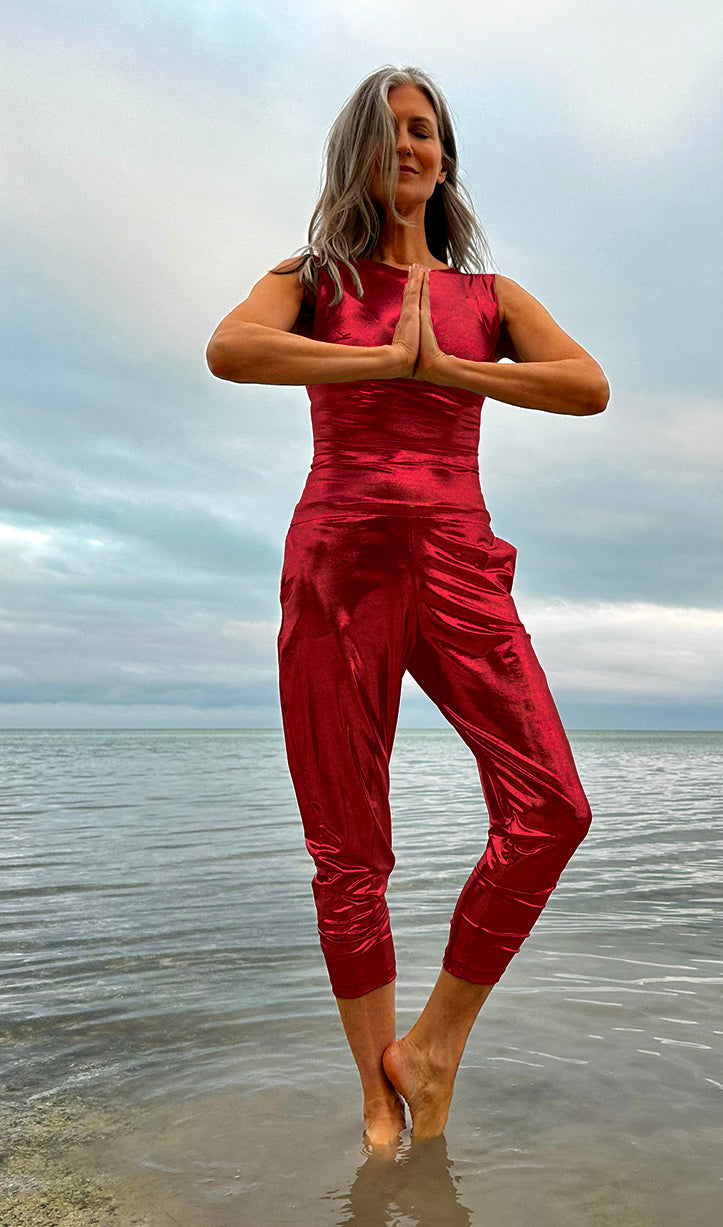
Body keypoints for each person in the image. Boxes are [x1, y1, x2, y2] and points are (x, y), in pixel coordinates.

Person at [206, 64, 609, 1147]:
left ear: (444, 155)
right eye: (389, 135)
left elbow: (586, 384)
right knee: (350, 850)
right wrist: (385, 357)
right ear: (357, 156)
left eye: (425, 132)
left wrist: (449, 373)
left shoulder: (487, 297)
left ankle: (432, 1048)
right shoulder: (311, 279)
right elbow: (229, 349)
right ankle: (378, 1103)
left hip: (459, 563)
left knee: (552, 810)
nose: (410, 150)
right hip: (338, 565)